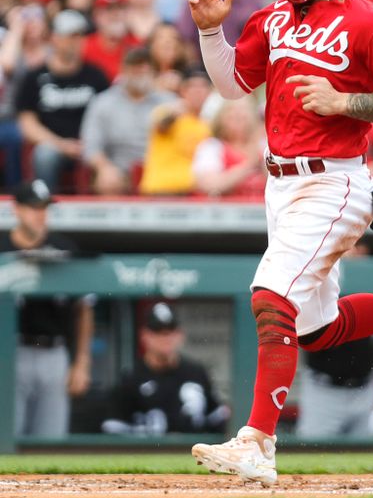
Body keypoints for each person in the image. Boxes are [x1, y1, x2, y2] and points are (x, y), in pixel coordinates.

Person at [188, 0, 373, 485]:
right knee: (316, 330)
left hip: (334, 179)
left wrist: (348, 102)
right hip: (281, 184)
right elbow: (231, 86)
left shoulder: (370, 23)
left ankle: (258, 442)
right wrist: (208, 31)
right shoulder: (271, 18)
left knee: (271, 293)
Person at [1, 180, 94, 438]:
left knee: (50, 438)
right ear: (17, 210)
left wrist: (82, 362)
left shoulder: (64, 248)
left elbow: (84, 308)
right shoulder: (2, 247)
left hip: (54, 352)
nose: (40, 215)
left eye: (44, 208)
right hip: (10, 352)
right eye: (33, 208)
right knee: (8, 435)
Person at [102, 302, 229, 436]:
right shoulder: (131, 379)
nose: (165, 339)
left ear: (180, 335)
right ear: (144, 336)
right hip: (145, 454)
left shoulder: (196, 372)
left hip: (192, 452)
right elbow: (112, 428)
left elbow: (217, 418)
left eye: (170, 332)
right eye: (158, 333)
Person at [15, 10, 109, 191]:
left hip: (91, 146)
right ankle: (43, 205)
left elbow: (109, 116)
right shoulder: (35, 77)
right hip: (53, 144)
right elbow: (27, 124)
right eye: (71, 36)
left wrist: (91, 145)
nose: (77, 42)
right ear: (55, 38)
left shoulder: (96, 76)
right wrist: (61, 144)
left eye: (81, 36)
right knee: (44, 155)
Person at [80, 47, 175, 195]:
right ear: (123, 70)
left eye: (145, 67)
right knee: (107, 181)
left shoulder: (169, 102)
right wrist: (104, 167)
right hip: (119, 168)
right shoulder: (103, 102)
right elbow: (91, 146)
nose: (140, 72)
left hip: (161, 168)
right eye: (134, 67)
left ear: (153, 72)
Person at [139, 68, 212, 196]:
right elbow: (161, 124)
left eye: (203, 87)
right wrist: (174, 113)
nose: (198, 92)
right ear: (183, 91)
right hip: (162, 191)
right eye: (192, 87)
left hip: (193, 191)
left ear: (209, 93)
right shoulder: (169, 111)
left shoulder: (208, 124)